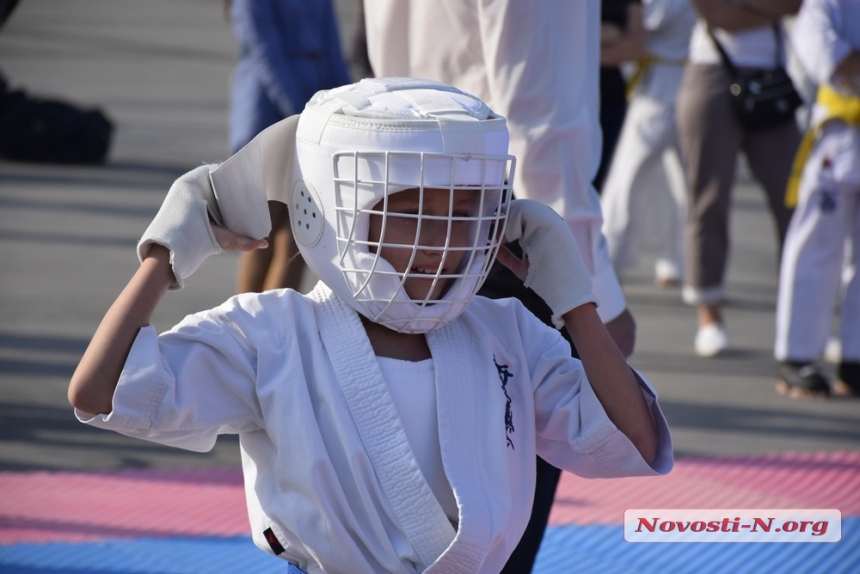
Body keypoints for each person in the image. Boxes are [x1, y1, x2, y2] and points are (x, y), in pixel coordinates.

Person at [68, 78, 672, 573]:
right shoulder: (272, 333)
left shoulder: (507, 332)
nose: (441, 243)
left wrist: (575, 301)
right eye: (409, 211)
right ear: (335, 208)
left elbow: (634, 442)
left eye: (467, 213)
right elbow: (101, 392)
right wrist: (165, 252)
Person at [362, 2, 638, 569]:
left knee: (411, 514)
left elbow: (383, 90)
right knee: (492, 537)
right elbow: (538, 124)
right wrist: (591, 294)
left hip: (399, 226)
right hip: (504, 245)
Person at [676, 0, 802, 357]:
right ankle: (709, 315)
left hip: (773, 77)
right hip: (713, 74)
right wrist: (772, 7)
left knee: (794, 200)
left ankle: (803, 320)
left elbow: (801, 5)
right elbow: (717, 14)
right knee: (709, 199)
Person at [226, 0, 353, 293]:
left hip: (313, 104)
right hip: (267, 109)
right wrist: (299, 112)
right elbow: (265, 53)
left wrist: (347, 107)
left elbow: (333, 51)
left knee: (302, 232)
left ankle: (278, 327)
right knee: (262, 231)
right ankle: (248, 323)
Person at [774, 0, 860, 399]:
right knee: (816, 248)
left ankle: (855, 358)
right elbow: (826, 54)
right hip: (839, 133)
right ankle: (797, 356)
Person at [601, 0, 697, 287]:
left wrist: (612, 31)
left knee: (626, 179)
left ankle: (609, 259)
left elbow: (640, 26)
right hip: (671, 83)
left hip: (663, 91)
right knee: (681, 185)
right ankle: (675, 262)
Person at [594, 0, 646, 193]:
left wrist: (585, 48)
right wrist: (604, 35)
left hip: (611, 98)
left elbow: (635, 47)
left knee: (603, 181)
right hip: (564, 101)